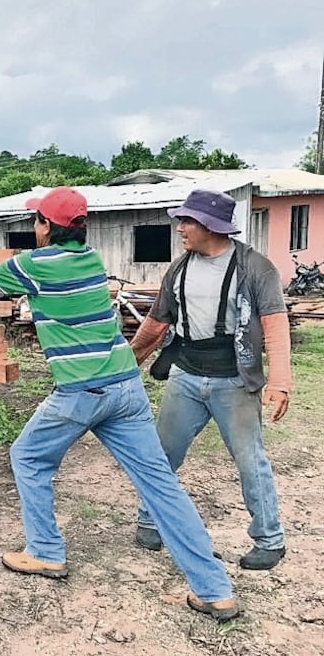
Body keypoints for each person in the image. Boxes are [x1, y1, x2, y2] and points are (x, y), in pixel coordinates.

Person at [0, 186, 239, 621]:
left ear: (46, 227)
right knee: (161, 485)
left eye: (37, 220)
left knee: (28, 456)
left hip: (81, 391)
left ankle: (45, 551)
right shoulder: (87, 259)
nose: (35, 227)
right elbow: (9, 265)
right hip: (125, 387)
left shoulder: (38, 266)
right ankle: (215, 590)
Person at [130, 189, 291, 571]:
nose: (180, 228)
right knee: (161, 455)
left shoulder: (256, 268)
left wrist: (280, 381)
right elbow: (156, 323)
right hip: (185, 375)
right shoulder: (179, 268)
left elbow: (274, 325)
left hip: (234, 381)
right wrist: (126, 362)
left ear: (210, 226)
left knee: (250, 461)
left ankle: (269, 540)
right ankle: (150, 521)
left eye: (187, 221)